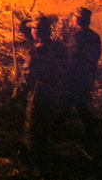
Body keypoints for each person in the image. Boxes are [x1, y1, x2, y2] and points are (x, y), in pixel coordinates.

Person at [16, 15, 68, 167]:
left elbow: (27, 79)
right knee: (45, 127)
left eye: (33, 29)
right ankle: (44, 156)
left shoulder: (36, 52)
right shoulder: (59, 48)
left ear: (37, 32)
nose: (31, 31)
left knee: (32, 129)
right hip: (54, 92)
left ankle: (36, 164)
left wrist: (16, 95)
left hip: (38, 95)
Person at [66, 7, 101, 138]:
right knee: (78, 100)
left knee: (77, 102)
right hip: (89, 74)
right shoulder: (94, 36)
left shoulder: (76, 37)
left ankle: (90, 132)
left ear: (77, 20)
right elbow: (96, 56)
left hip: (76, 75)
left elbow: (72, 58)